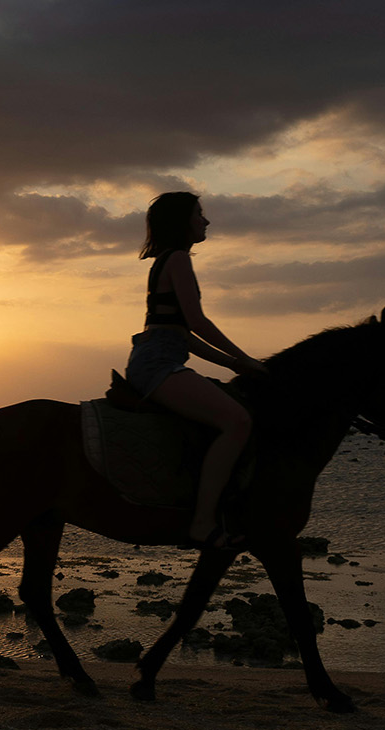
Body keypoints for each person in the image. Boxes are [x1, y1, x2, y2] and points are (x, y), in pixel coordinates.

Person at [124, 191, 268, 551]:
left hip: (159, 357)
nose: (206, 221)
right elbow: (197, 323)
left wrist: (236, 365)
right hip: (158, 363)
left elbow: (181, 335)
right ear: (181, 222)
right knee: (238, 422)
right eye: (199, 214)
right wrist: (245, 358)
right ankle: (202, 523)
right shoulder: (178, 261)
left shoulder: (165, 262)